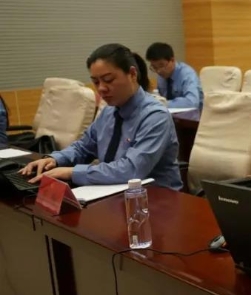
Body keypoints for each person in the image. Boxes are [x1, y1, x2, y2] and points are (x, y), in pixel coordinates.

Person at [20, 44, 182, 190]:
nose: (101, 88)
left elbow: (131, 170)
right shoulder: (109, 112)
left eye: (108, 80)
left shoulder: (155, 116)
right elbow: (83, 147)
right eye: (96, 82)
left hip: (156, 198)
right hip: (112, 192)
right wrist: (54, 159)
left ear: (132, 74)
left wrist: (72, 172)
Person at [145, 42, 203, 109]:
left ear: (172, 60)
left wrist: (165, 104)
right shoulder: (161, 77)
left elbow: (192, 102)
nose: (158, 71)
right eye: (154, 67)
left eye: (161, 65)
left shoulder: (187, 74)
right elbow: (161, 98)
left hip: (192, 114)